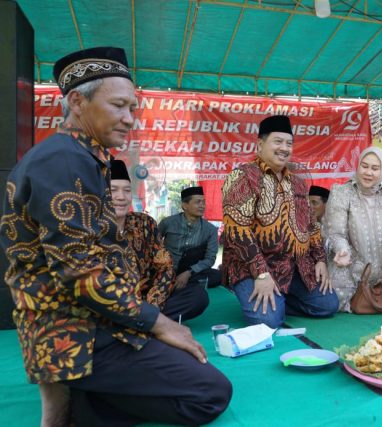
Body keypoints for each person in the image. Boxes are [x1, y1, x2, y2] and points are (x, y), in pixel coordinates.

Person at [0, 47, 231, 426]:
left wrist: (149, 318)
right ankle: (81, 406)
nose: (129, 119)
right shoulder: (63, 161)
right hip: (75, 334)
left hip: (103, 319)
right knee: (210, 394)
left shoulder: (80, 157)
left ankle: (84, 400)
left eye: (133, 109)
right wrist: (158, 322)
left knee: (189, 351)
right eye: (119, 106)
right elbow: (81, 274)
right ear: (77, 101)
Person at [221, 115, 338, 328]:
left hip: (292, 267)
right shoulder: (243, 177)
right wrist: (261, 273)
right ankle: (263, 298)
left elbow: (311, 225)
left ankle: (279, 301)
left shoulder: (299, 184)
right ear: (260, 144)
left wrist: (320, 259)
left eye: (289, 143)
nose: (284, 148)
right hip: (252, 268)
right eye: (278, 141)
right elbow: (238, 231)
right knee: (268, 322)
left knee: (328, 305)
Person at [111, 160, 209, 322]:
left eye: (127, 190)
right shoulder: (88, 229)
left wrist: (152, 305)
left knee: (198, 296)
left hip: (149, 297)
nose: (121, 197)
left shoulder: (144, 223)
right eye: (113, 190)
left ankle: (144, 321)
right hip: (112, 304)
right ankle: (144, 323)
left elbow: (164, 267)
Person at [323, 147, 382, 312]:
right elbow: (336, 232)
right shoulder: (342, 193)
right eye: (365, 166)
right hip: (350, 270)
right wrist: (342, 250)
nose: (368, 172)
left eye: (375, 168)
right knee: (337, 302)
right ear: (358, 166)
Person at [159, 186, 221, 319]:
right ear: (184, 205)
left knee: (218, 276)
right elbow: (152, 246)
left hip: (191, 270)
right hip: (164, 270)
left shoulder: (210, 229)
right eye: (198, 202)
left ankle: (182, 284)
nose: (202, 205)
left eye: (203, 202)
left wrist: (188, 273)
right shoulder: (167, 223)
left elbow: (210, 259)